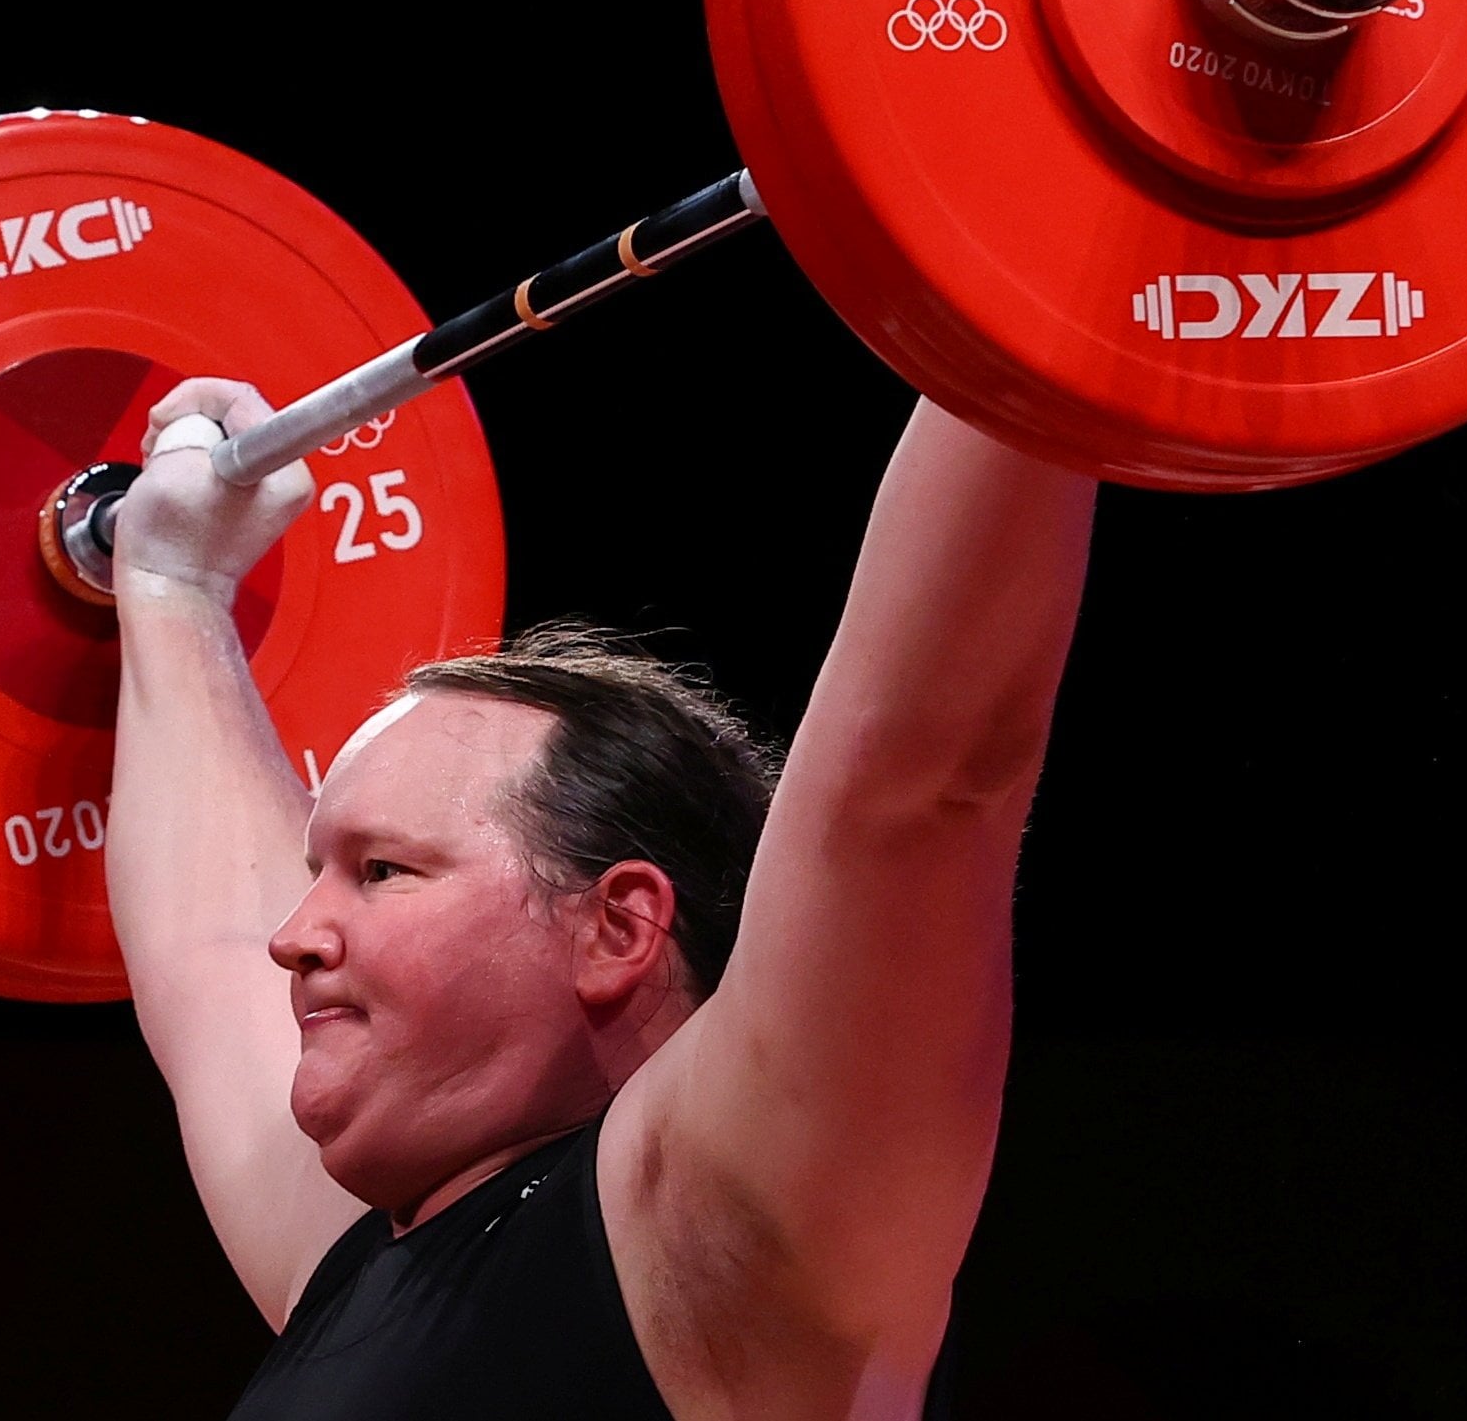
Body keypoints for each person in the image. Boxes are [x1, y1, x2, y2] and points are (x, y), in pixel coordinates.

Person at [104, 381, 1096, 1418]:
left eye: (383, 870)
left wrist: (1023, 331)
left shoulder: (712, 1234)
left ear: (616, 926)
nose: (293, 938)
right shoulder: (361, 1265)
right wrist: (172, 579)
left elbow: (917, 788)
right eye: (315, 873)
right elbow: (206, 945)